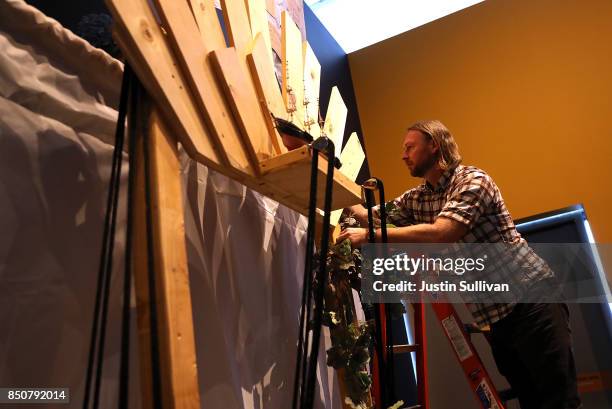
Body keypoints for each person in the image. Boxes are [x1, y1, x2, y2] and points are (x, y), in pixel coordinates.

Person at [337, 120, 581, 409]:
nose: (403, 155)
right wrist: (333, 180)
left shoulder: (472, 180)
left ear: (434, 145)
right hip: (499, 319)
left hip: (533, 303)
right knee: (531, 401)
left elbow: (444, 232)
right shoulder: (419, 197)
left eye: (409, 147)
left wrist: (368, 237)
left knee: (558, 401)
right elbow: (372, 216)